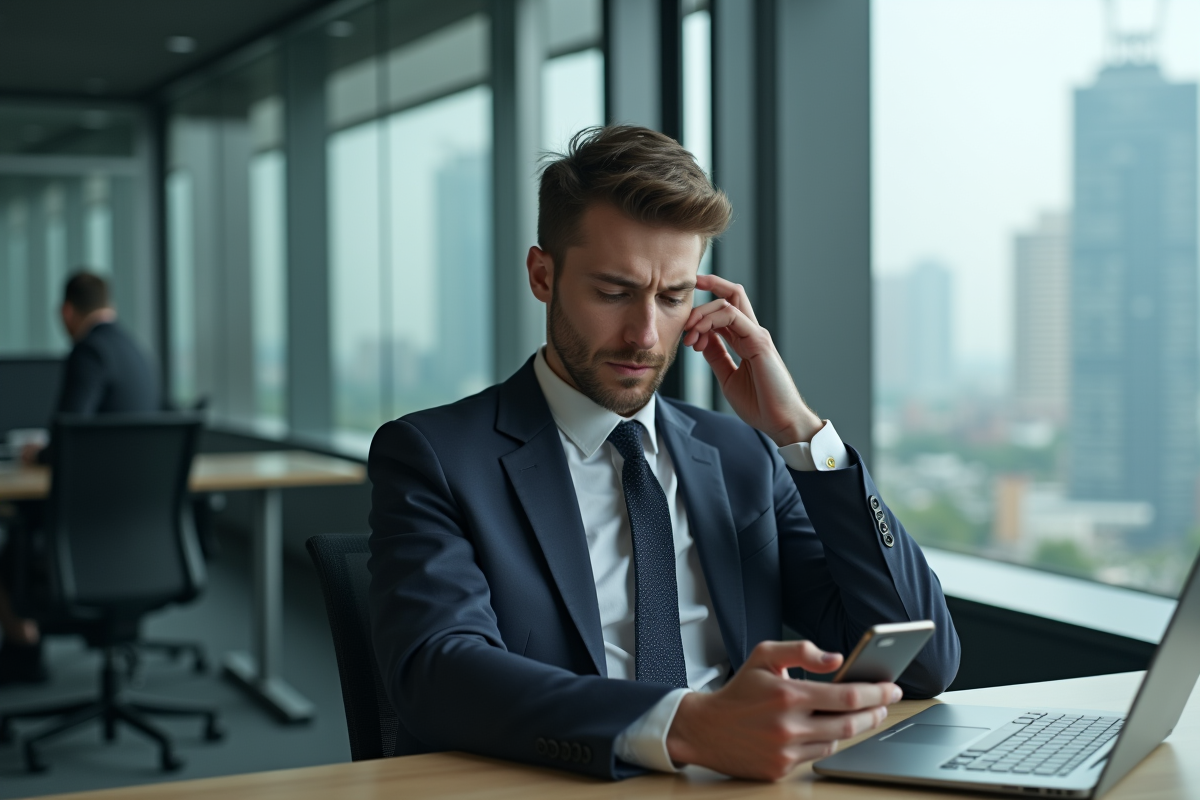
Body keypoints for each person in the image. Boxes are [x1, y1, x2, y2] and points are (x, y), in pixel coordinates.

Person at [367, 126, 960, 781]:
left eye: (674, 297)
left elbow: (921, 658)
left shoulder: (742, 457)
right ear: (544, 275)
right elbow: (437, 670)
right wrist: (684, 726)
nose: (645, 335)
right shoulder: (435, 456)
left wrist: (800, 432)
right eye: (614, 292)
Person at [0, 271, 160, 683]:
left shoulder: (89, 352)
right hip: (140, 527)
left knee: (9, 542)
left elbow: (70, 437)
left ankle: (23, 653)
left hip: (86, 529)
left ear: (67, 311)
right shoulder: (136, 350)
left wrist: (40, 453)